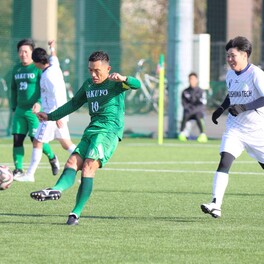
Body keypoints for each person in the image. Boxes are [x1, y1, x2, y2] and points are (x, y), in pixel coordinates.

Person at [30, 50, 141, 225]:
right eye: (90, 70)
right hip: (91, 130)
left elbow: (137, 84)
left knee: (89, 167)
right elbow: (74, 103)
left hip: (108, 132)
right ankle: (55, 190)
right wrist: (50, 116)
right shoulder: (89, 85)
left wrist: (124, 79)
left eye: (97, 70)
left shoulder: (116, 83)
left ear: (108, 69)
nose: (93, 74)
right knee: (71, 163)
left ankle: (75, 213)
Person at [201, 36, 264, 218]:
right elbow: (231, 95)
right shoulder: (230, 74)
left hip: (257, 130)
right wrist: (220, 109)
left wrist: (244, 107)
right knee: (224, 161)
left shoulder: (256, 74)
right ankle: (215, 204)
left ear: (245, 55)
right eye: (228, 56)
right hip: (235, 129)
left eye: (233, 55)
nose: (229, 59)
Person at [14, 40, 76, 182]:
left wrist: (58, 116)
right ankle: (85, 160)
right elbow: (54, 57)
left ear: (37, 62)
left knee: (37, 141)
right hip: (56, 115)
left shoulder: (48, 76)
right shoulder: (53, 66)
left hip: (52, 115)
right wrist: (52, 47)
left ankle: (30, 175)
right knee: (66, 143)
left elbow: (57, 96)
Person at [11, 39, 60, 178]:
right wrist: (14, 106)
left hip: (35, 111)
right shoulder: (16, 68)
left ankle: (52, 156)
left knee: (36, 139)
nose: (23, 54)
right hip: (20, 110)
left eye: (26, 51)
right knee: (17, 139)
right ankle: (18, 169)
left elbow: (44, 88)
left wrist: (39, 102)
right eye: (20, 51)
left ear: (32, 53)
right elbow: (13, 89)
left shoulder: (37, 68)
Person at [178, 72, 208, 142]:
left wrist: (193, 110)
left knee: (198, 116)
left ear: (197, 80)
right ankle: (182, 133)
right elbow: (184, 104)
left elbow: (202, 104)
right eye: (191, 79)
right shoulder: (185, 92)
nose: (192, 81)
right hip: (189, 113)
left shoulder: (201, 91)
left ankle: (202, 134)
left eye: (194, 79)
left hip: (198, 112)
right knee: (185, 115)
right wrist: (189, 110)